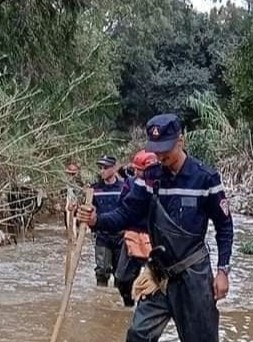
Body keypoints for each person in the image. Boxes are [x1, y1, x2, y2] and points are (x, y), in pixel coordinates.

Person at [76, 113, 233, 342]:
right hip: (158, 274)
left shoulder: (205, 178)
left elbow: (224, 226)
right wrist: (96, 220)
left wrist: (222, 271)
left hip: (193, 276)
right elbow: (126, 214)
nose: (161, 155)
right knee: (138, 335)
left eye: (166, 148)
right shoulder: (150, 178)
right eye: (156, 149)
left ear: (181, 141)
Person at [115, 150, 158, 307]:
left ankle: (145, 308)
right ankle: (128, 303)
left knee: (152, 280)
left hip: (153, 238)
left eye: (141, 170)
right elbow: (123, 206)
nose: (138, 173)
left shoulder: (162, 186)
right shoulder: (130, 184)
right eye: (137, 169)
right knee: (121, 277)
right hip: (132, 235)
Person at [92, 155, 125, 287]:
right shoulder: (94, 189)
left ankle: (118, 303)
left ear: (114, 168)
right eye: (100, 168)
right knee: (101, 271)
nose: (102, 171)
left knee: (121, 274)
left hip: (121, 236)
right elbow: (89, 209)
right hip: (102, 236)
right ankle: (101, 300)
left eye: (105, 167)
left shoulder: (125, 188)